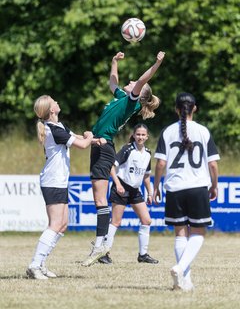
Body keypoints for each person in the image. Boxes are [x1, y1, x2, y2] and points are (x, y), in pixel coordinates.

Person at [81, 50, 165, 266]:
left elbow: (145, 78)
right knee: (99, 199)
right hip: (98, 144)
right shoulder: (122, 97)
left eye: (135, 82)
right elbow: (112, 83)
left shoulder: (133, 101)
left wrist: (157, 63)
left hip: (104, 145)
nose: (132, 81)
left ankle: (101, 247)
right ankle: (101, 246)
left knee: (101, 200)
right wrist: (113, 62)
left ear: (139, 92)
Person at [26, 95, 103, 280]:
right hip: (52, 181)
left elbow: (76, 137)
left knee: (63, 225)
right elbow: (82, 145)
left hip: (58, 181)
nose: (58, 102)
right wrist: (90, 137)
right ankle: (35, 265)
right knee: (55, 224)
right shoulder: (53, 129)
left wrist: (95, 140)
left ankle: (41, 263)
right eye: (54, 101)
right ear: (51, 110)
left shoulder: (59, 127)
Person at [153, 92, 220, 291]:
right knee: (198, 233)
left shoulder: (167, 131)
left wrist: (156, 186)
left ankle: (185, 279)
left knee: (180, 235)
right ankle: (181, 268)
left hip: (174, 189)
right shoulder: (203, 131)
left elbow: (160, 163)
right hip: (197, 187)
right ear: (195, 108)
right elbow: (213, 165)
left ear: (176, 109)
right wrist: (214, 185)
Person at [98, 123, 159, 265]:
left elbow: (146, 176)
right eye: (138, 134)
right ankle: (103, 253)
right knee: (116, 222)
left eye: (143, 135)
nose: (140, 137)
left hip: (135, 190)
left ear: (147, 136)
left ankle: (143, 255)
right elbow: (112, 167)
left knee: (147, 220)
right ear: (134, 135)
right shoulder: (127, 149)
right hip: (122, 186)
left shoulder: (148, 153)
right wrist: (118, 184)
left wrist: (150, 193)